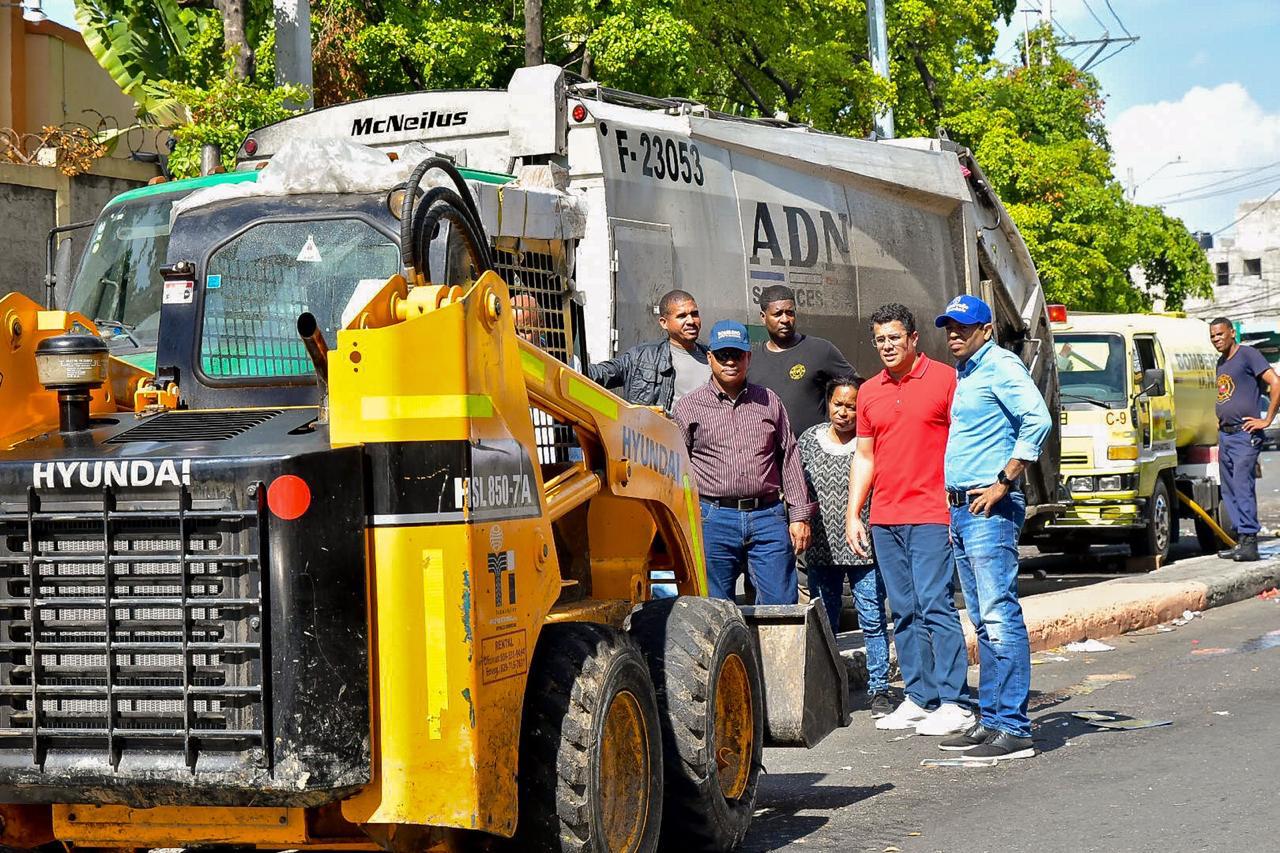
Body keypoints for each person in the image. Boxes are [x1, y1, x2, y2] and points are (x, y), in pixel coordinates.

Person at [845, 303, 971, 736]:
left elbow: (964, 442)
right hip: (885, 516)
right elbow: (864, 456)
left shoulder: (945, 380)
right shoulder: (869, 392)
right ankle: (920, 697)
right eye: (880, 340)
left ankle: (955, 701)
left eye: (894, 338)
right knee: (902, 610)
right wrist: (853, 514)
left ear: (913, 338)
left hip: (933, 512)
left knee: (936, 605)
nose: (887, 346)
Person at [935, 295, 1050, 761]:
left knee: (1000, 616)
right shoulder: (968, 374)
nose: (955, 334)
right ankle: (993, 718)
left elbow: (1037, 419)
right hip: (964, 510)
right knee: (982, 621)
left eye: (964, 327)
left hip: (989, 509)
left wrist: (1004, 481)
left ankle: (1015, 729)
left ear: (986, 329)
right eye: (949, 327)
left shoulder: (1000, 365)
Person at [674, 320, 813, 604]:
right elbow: (676, 469)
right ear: (710, 357)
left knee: (781, 605)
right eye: (722, 355)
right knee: (714, 608)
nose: (730, 362)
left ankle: (774, 650)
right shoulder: (688, 407)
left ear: (748, 358)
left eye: (736, 355)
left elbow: (789, 455)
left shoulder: (769, 401)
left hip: (768, 516)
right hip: (713, 517)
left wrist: (799, 516)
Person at [797, 376, 893, 718]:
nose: (844, 412)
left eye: (852, 406)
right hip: (821, 549)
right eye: (838, 404)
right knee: (825, 623)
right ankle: (826, 690)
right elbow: (797, 487)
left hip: (862, 547)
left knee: (872, 619)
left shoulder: (871, 443)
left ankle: (879, 689)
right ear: (828, 404)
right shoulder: (809, 440)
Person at [1209, 317, 1280, 562]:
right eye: (1213, 336)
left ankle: (1250, 542)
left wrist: (1267, 419)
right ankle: (1241, 541)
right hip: (1226, 435)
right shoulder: (1221, 363)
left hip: (1245, 434)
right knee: (1228, 490)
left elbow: (1275, 382)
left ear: (1231, 333)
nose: (1216, 339)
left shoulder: (1248, 355)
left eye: (1220, 334)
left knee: (1242, 486)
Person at [751, 285, 858, 437]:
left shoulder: (820, 350)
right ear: (763, 317)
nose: (785, 320)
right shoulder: (752, 360)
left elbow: (858, 387)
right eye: (778, 314)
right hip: (768, 455)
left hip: (811, 454)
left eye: (790, 313)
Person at [588, 289, 709, 414]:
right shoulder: (641, 358)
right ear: (664, 323)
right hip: (656, 432)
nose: (691, 321)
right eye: (682, 316)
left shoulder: (714, 360)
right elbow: (599, 374)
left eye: (695, 314)